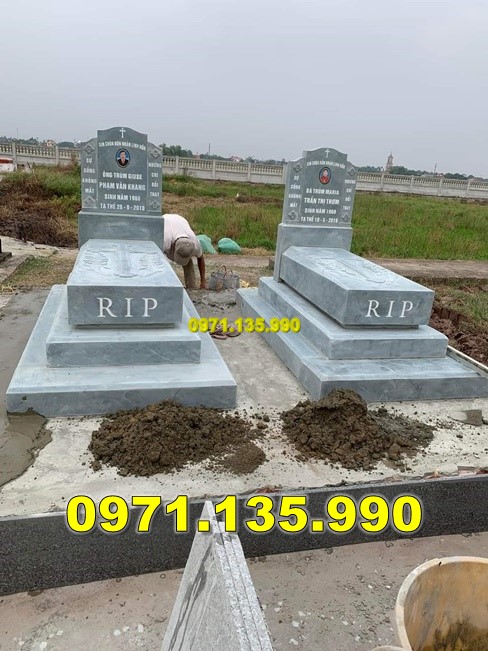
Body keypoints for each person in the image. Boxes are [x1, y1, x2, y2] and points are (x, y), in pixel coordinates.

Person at [163, 213, 206, 289]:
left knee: (188, 263)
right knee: (163, 264)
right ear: (174, 246)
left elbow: (200, 258)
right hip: (164, 221)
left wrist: (203, 281)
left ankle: (191, 288)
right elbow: (158, 258)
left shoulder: (195, 244)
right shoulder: (165, 239)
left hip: (181, 221)